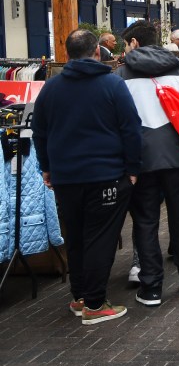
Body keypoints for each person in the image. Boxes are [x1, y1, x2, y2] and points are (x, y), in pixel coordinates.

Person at [33, 29, 142, 325]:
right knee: (100, 239)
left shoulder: (50, 88)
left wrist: (47, 167)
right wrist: (133, 169)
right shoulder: (113, 85)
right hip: (106, 176)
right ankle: (94, 304)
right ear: (97, 52)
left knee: (77, 237)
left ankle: (80, 297)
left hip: (66, 178)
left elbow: (39, 133)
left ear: (68, 53)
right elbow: (131, 129)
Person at [119, 20, 179, 307]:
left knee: (145, 221)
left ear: (134, 43)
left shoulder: (120, 75)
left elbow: (117, 120)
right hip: (176, 154)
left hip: (140, 158)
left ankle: (151, 287)